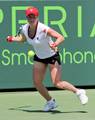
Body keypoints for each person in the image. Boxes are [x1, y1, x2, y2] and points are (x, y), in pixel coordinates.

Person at [7, 6, 88, 111]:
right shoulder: (25, 29)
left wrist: (55, 44)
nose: (31, 19)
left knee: (57, 83)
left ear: (37, 17)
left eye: (33, 17)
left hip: (52, 56)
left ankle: (78, 92)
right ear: (26, 18)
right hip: (40, 57)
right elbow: (23, 39)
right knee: (37, 83)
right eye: (29, 17)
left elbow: (61, 37)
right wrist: (12, 39)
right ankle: (50, 102)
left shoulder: (43, 29)